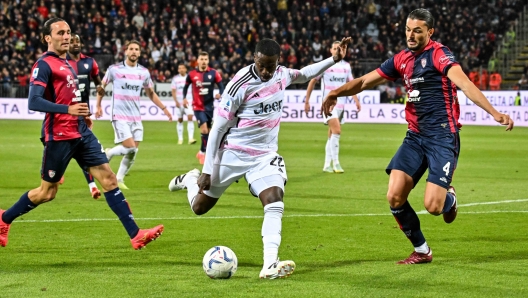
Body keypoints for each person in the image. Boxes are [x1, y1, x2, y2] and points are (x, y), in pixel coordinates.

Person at [322, 9, 514, 264]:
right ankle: (422, 250)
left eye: (417, 31)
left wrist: (494, 113)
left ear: (430, 32)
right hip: (415, 137)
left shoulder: (439, 55)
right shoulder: (401, 59)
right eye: (408, 30)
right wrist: (335, 92)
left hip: (442, 137)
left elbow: (465, 84)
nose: (411, 35)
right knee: (394, 196)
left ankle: (449, 199)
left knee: (433, 206)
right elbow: (365, 81)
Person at [169, 37, 351, 278]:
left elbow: (305, 74)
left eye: (271, 66)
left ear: (278, 63)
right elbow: (217, 130)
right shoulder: (238, 85)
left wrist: (333, 59)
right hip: (233, 152)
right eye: (262, 65)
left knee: (274, 201)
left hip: (264, 156)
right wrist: (206, 171)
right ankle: (190, 179)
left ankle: (269, 264)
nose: (266, 71)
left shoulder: (281, 75)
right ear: (254, 57)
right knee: (199, 207)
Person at [0, 18, 163, 250]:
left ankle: (136, 235)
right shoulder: (43, 64)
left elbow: (69, 95)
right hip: (59, 136)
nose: (66, 37)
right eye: (60, 33)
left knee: (108, 178)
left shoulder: (68, 64)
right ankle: (4, 219)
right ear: (48, 38)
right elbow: (33, 101)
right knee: (47, 192)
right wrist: (68, 110)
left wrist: (81, 115)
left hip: (81, 132)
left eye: (68, 32)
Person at [95, 40, 172, 190]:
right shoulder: (114, 69)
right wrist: (98, 105)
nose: (134, 52)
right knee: (129, 147)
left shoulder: (143, 72)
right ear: (126, 51)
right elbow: (101, 86)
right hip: (119, 115)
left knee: (133, 151)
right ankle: (109, 152)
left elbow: (150, 93)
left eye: (137, 49)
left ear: (140, 53)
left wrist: (164, 108)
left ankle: (119, 179)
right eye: (131, 49)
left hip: (136, 117)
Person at [304, 41, 361, 173]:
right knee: (337, 131)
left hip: (341, 105)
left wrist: (356, 100)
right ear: (330, 50)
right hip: (328, 104)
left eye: (339, 48)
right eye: (334, 48)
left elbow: (350, 84)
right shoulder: (326, 65)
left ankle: (326, 165)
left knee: (331, 134)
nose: (336, 50)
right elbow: (313, 81)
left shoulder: (346, 66)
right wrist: (307, 101)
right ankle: (336, 164)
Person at [62, 33, 105, 199]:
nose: (75, 43)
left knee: (82, 149)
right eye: (72, 41)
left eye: (77, 41)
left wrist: (100, 88)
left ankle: (92, 186)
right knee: (68, 147)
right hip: (65, 112)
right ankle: (55, 172)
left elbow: (97, 81)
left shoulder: (90, 62)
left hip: (82, 113)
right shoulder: (62, 63)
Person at [182, 51, 225, 165]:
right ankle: (202, 153)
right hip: (197, 107)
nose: (204, 61)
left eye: (206, 59)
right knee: (204, 130)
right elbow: (185, 87)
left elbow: (221, 86)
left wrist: (220, 94)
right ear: (198, 61)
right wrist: (184, 98)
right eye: (202, 59)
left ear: (208, 61)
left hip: (209, 107)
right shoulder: (192, 74)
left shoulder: (214, 73)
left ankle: (203, 152)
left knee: (209, 133)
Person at [171, 63, 196, 145]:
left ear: (185, 69)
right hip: (179, 102)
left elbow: (194, 89)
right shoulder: (175, 79)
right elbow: (173, 91)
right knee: (180, 120)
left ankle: (190, 138)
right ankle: (180, 139)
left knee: (190, 117)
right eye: (179, 68)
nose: (181, 69)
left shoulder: (190, 78)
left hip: (189, 101)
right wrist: (176, 101)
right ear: (178, 70)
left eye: (182, 68)